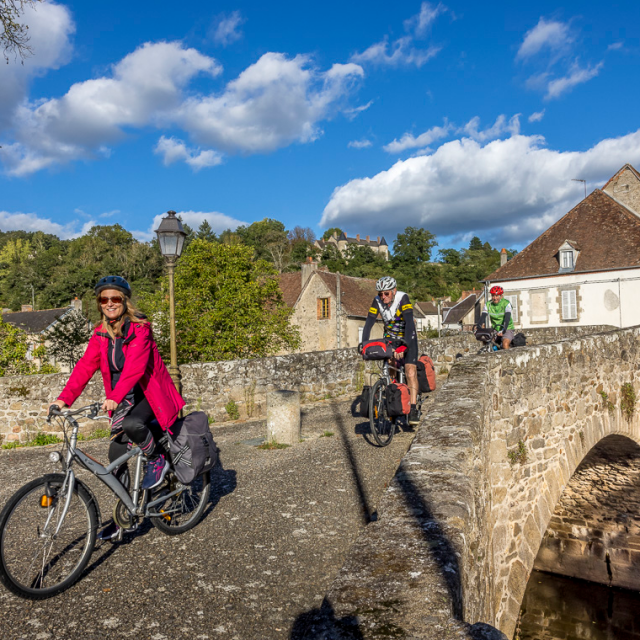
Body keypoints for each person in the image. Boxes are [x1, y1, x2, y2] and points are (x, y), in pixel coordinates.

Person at [49, 275, 185, 540]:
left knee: (134, 424)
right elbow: (85, 366)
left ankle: (156, 459)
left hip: (150, 394)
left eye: (115, 298)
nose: (109, 303)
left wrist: (116, 395)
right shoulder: (101, 333)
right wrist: (63, 399)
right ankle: (126, 515)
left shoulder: (140, 328)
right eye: (104, 299)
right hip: (124, 398)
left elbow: (135, 367)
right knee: (115, 455)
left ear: (124, 301)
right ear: (99, 303)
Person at [361, 276, 420, 426]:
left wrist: (404, 345)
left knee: (410, 371)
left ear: (394, 291)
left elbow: (409, 323)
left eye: (386, 293)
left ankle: (413, 408)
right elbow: (369, 323)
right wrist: (364, 344)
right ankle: (395, 398)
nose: (383, 297)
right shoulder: (377, 301)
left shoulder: (403, 298)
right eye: (381, 294)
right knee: (390, 367)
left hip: (408, 336)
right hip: (390, 338)